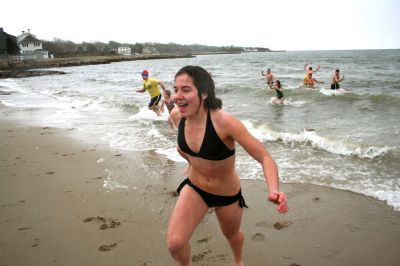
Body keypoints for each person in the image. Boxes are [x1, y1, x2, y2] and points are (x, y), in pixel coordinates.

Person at [166, 65, 288, 266]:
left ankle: (238, 261)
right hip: (195, 188)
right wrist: (191, 163)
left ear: (204, 93)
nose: (177, 96)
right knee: (175, 244)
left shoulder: (225, 122)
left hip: (226, 194)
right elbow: (182, 148)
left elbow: (265, 157)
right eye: (176, 89)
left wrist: (274, 190)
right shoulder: (177, 117)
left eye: (186, 89)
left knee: (231, 234)